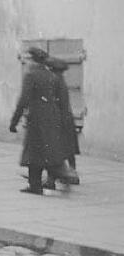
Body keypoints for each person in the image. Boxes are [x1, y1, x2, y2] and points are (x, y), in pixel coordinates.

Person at [9, 46, 69, 195]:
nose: (27, 62)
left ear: (33, 61)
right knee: (47, 151)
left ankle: (35, 185)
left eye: (28, 58)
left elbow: (23, 100)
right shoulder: (51, 75)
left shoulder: (31, 75)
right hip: (51, 118)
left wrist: (14, 121)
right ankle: (55, 176)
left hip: (36, 119)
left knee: (33, 152)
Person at [45, 55, 80, 186]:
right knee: (69, 150)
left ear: (53, 69)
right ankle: (72, 174)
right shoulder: (61, 80)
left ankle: (51, 180)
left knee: (53, 150)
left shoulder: (54, 81)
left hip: (58, 119)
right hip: (67, 119)